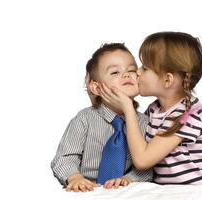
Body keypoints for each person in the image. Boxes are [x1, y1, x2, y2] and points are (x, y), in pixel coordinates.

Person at [100, 32, 202, 186]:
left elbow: (143, 160)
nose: (137, 72)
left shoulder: (189, 115)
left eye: (145, 68)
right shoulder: (154, 109)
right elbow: (136, 142)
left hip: (199, 192)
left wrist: (128, 108)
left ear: (167, 80)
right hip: (167, 191)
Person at [51, 43, 152, 192]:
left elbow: (149, 166)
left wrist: (128, 179)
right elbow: (65, 157)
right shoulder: (84, 119)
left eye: (131, 70)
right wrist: (74, 177)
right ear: (97, 88)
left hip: (124, 190)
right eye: (114, 72)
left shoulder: (145, 122)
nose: (126, 74)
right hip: (89, 187)